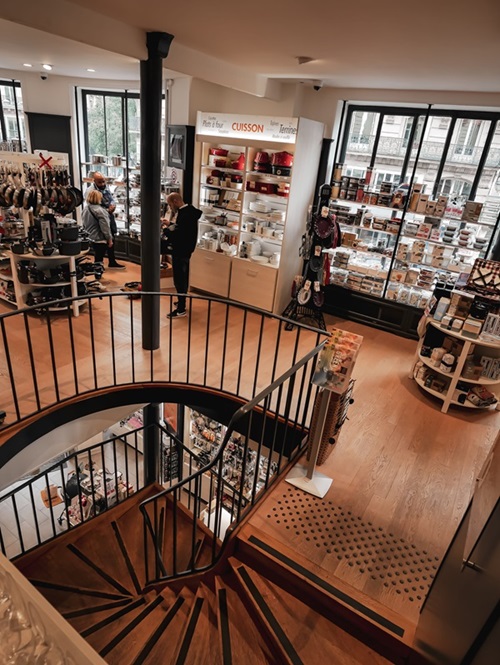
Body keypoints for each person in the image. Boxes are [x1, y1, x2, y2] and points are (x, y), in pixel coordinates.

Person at [163, 193, 201, 319]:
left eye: (170, 204)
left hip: (181, 250)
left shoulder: (185, 215)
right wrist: (170, 225)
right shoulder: (189, 212)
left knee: (180, 279)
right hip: (186, 250)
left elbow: (180, 234)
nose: (170, 207)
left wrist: (166, 230)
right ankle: (181, 302)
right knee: (182, 277)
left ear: (175, 201)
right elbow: (182, 230)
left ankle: (181, 309)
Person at [91, 172, 125, 270]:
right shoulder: (91, 191)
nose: (102, 184)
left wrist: (113, 205)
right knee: (101, 245)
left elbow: (111, 199)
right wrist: (106, 210)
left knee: (112, 236)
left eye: (103, 181)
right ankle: (98, 269)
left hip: (109, 215)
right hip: (101, 218)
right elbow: (93, 206)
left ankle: (112, 261)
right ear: (94, 181)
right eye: (99, 182)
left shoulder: (105, 188)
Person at [82, 189, 113, 266]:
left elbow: (84, 223)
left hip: (89, 236)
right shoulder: (100, 211)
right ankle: (98, 272)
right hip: (99, 238)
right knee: (99, 258)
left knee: (97, 255)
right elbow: (105, 227)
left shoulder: (85, 209)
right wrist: (109, 239)